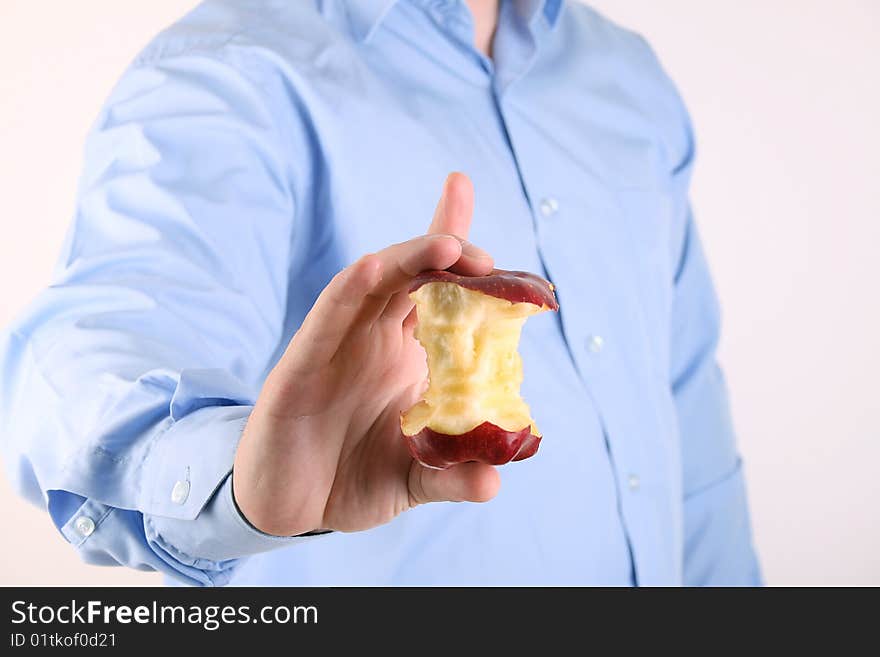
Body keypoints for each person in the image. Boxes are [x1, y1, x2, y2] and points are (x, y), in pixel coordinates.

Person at [0, 0, 761, 586]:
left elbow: (689, 433)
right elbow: (93, 357)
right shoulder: (230, 74)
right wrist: (242, 480)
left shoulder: (630, 82)